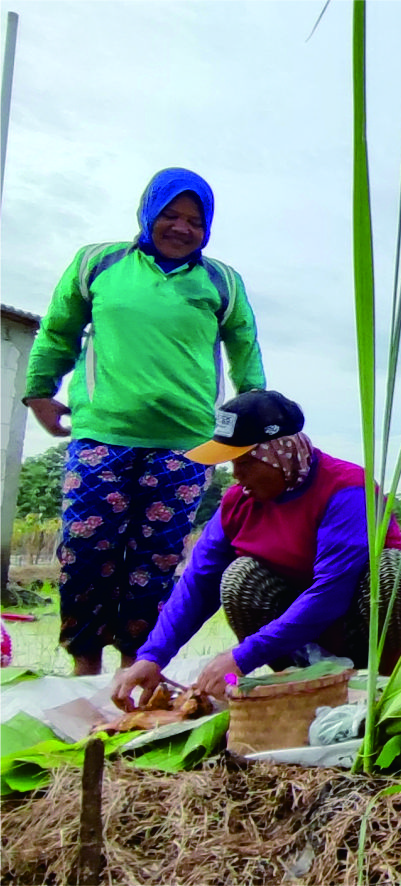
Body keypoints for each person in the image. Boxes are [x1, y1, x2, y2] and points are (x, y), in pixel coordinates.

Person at [23, 167, 265, 676]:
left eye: (195, 221)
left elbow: (245, 350)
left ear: (208, 227)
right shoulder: (99, 263)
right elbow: (57, 330)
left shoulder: (220, 281)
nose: (181, 228)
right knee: (86, 553)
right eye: (170, 216)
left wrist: (256, 418)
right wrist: (40, 393)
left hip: (189, 443)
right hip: (102, 435)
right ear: (148, 214)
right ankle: (84, 668)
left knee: (155, 564)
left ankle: (137, 670)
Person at [110, 390, 401, 708]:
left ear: (280, 454)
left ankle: (388, 693)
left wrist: (242, 656)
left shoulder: (347, 491)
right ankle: (297, 688)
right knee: (240, 578)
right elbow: (198, 583)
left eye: (246, 461)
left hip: (363, 631)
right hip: (299, 642)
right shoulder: (239, 501)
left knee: (391, 573)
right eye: (232, 462)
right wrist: (151, 657)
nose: (236, 474)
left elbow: (331, 595)